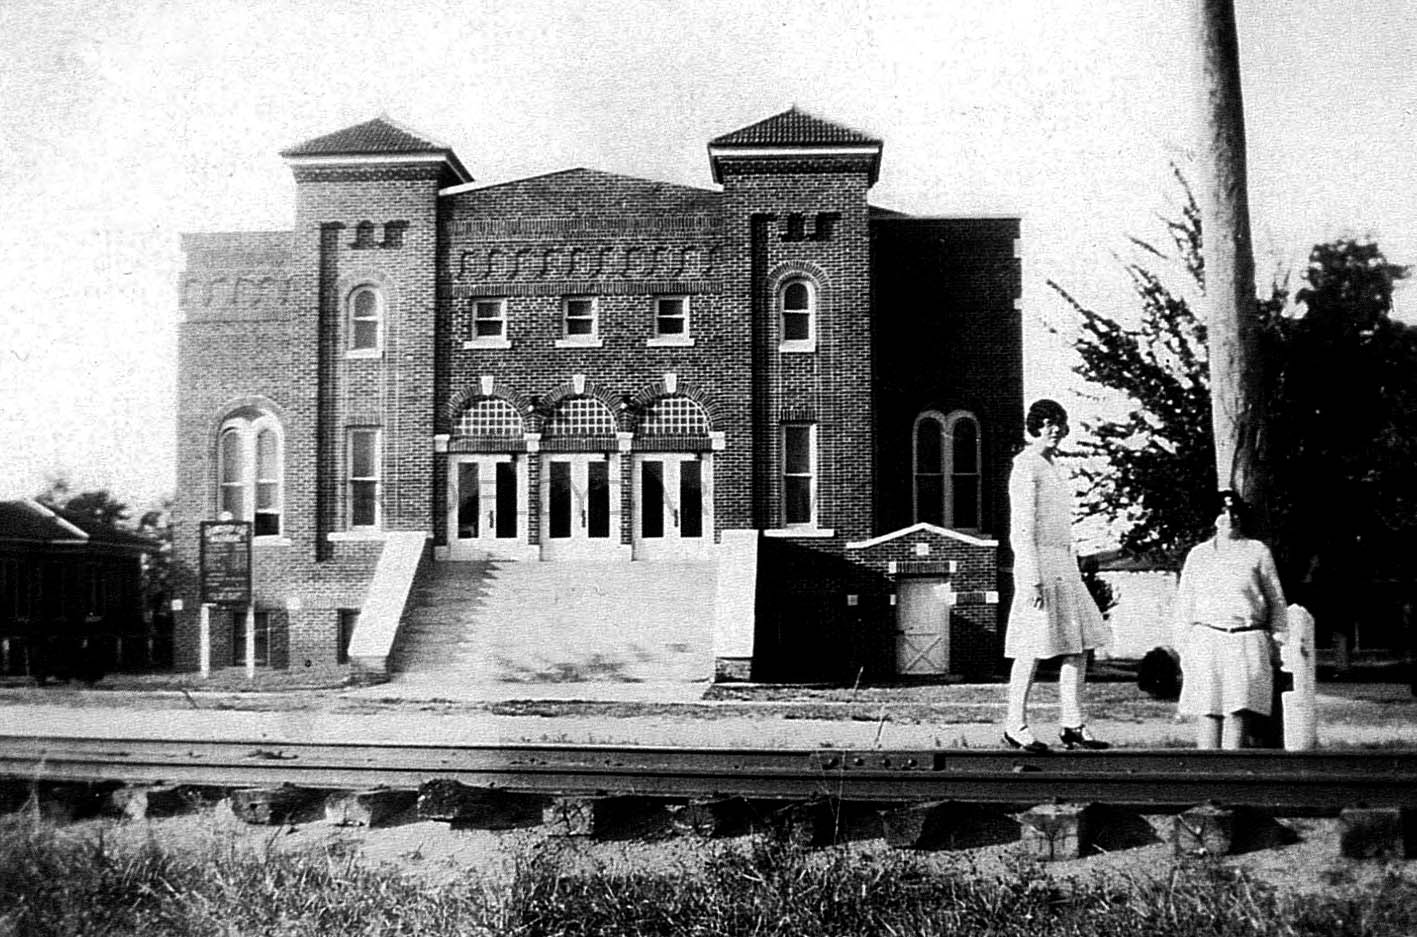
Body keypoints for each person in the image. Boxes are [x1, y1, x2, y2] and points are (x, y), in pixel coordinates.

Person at [1002, 399, 1111, 752]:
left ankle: (1072, 724)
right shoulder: (1026, 465)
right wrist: (1031, 578)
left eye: (1059, 423)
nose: (1054, 430)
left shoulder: (1054, 467)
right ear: (1034, 427)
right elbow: (1021, 528)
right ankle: (1015, 725)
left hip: (1064, 566)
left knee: (1078, 645)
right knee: (1030, 648)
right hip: (1037, 565)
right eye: (1047, 423)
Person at [1173, 490, 1288, 749]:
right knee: (1208, 710)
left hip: (1246, 638)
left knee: (1239, 710)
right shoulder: (1199, 555)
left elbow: (1276, 601)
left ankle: (1233, 770)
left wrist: (1279, 642)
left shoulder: (1257, 551)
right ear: (1214, 518)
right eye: (1223, 512)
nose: (1229, 517)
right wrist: (1184, 647)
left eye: (1234, 512)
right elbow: (1184, 605)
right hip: (1207, 639)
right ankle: (1206, 772)